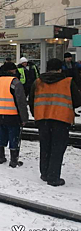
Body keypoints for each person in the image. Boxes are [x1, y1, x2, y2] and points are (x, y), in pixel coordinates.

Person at [29, 58, 81, 186]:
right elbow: (78, 101)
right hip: (61, 119)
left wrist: (37, 115)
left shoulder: (38, 82)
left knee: (45, 146)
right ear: (60, 69)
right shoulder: (68, 82)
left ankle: (45, 173)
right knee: (57, 148)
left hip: (43, 119)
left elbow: (31, 101)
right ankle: (53, 177)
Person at [0, 62, 28, 167]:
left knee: (1, 134)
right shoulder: (14, 82)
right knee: (14, 136)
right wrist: (24, 118)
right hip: (12, 114)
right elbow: (21, 102)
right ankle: (13, 160)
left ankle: (0, 156)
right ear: (12, 71)